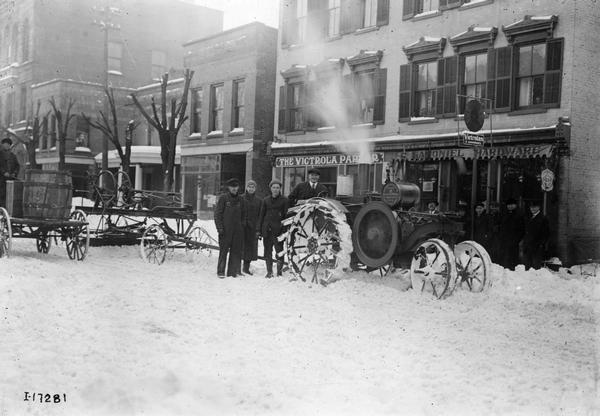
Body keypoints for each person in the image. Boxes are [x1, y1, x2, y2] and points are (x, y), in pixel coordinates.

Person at [214, 178, 246, 278]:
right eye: (232, 187)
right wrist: (220, 228)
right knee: (223, 251)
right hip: (225, 231)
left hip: (237, 231)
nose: (234, 189)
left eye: (236, 187)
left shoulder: (241, 199)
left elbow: (244, 215)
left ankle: (231, 272)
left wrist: (242, 226)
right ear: (229, 187)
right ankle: (221, 271)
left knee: (235, 251)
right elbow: (218, 214)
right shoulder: (223, 198)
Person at [258, 178, 289, 278]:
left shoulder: (284, 200)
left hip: (278, 231)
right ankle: (269, 271)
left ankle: (279, 272)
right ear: (270, 188)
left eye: (277, 187)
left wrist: (284, 231)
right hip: (267, 230)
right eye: (273, 187)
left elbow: (286, 217)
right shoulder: (265, 200)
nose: (275, 189)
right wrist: (259, 230)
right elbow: (261, 216)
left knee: (279, 252)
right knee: (267, 251)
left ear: (280, 189)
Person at [241, 180, 262, 275]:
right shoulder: (241, 198)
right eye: (249, 186)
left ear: (255, 189)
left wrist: (258, 229)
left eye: (253, 187)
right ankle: (237, 267)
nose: (251, 188)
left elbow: (260, 216)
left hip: (253, 228)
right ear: (246, 188)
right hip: (242, 227)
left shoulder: (259, 201)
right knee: (240, 247)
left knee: (250, 249)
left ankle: (246, 268)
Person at [522, 201, 550, 270]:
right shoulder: (529, 217)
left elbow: (546, 233)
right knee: (528, 267)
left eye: (534, 207)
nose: (532, 209)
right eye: (531, 207)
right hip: (528, 246)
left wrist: (540, 244)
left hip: (537, 247)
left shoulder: (543, 219)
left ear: (539, 207)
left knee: (535, 268)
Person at [499, 198, 525, 270]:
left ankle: (512, 270)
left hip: (514, 240)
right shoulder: (504, 213)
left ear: (515, 205)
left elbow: (522, 229)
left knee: (513, 257)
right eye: (509, 205)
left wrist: (517, 239)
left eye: (512, 205)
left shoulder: (519, 214)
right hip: (504, 239)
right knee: (504, 256)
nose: (510, 206)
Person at [0, 137, 20, 206]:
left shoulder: (13, 156)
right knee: (1, 195)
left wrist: (14, 173)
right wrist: (3, 172)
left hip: (10, 179)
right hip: (1, 179)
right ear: (2, 145)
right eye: (5, 144)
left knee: (9, 195)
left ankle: (7, 210)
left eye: (8, 144)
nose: (7, 145)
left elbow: (17, 166)